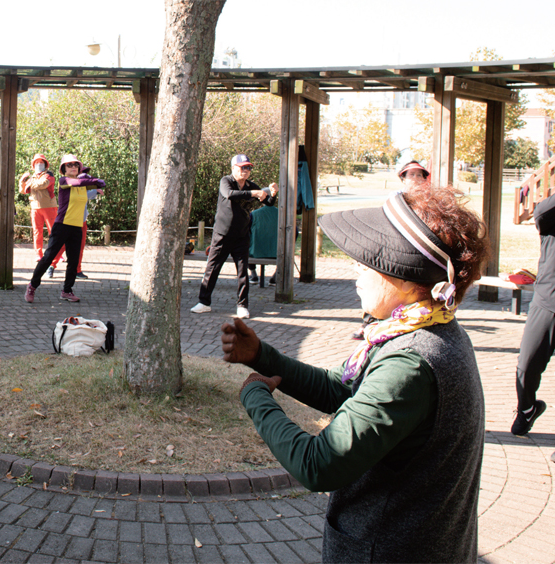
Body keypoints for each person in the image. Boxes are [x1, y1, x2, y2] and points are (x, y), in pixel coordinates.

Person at [223, 183, 490, 562]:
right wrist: (263, 357)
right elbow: (343, 388)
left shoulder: (410, 364)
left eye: (371, 263)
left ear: (411, 282)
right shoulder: (431, 328)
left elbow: (319, 464)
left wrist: (256, 398)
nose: (357, 270)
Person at [350, 161, 433, 340]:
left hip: (417, 252)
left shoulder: (428, 201)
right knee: (382, 288)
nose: (416, 179)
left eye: (420, 175)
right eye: (412, 175)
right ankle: (368, 324)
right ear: (403, 178)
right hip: (395, 249)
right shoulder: (396, 198)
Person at [511, 189, 555, 466]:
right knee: (527, 365)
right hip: (547, 301)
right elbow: (540, 211)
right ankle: (527, 409)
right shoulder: (553, 221)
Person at [191, 154, 277, 318]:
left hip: (241, 236)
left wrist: (272, 194)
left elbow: (268, 202)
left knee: (243, 271)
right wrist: (254, 193)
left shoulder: (252, 186)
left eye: (248, 168)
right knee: (212, 269)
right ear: (233, 168)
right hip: (222, 235)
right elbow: (230, 194)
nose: (246, 171)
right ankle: (204, 302)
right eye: (242, 167)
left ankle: (242, 305)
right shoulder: (226, 181)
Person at [24, 154, 105, 304]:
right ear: (63, 169)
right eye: (69, 165)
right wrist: (96, 181)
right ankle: (32, 286)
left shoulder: (82, 184)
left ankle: (67, 291)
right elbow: (85, 182)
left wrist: (98, 185)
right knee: (48, 257)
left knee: (73, 262)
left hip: (77, 227)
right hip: (62, 226)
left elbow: (91, 187)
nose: (73, 167)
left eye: (75, 165)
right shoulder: (64, 181)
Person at [51, 165, 103, 279]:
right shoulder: (69, 182)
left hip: (81, 220)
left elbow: (87, 194)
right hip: (68, 221)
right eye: (83, 172)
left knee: (79, 247)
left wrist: (95, 190)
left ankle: (77, 270)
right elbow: (85, 194)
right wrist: (95, 191)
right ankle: (51, 265)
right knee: (61, 245)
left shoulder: (83, 182)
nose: (84, 174)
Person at [19, 153, 59, 274]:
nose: (39, 164)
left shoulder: (49, 174)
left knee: (54, 232)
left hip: (49, 207)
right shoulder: (32, 178)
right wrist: (22, 181)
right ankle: (38, 254)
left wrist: (29, 184)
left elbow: (44, 184)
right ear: (33, 165)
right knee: (37, 232)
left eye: (41, 162)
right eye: (36, 162)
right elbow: (22, 190)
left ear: (45, 164)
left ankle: (56, 256)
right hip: (35, 207)